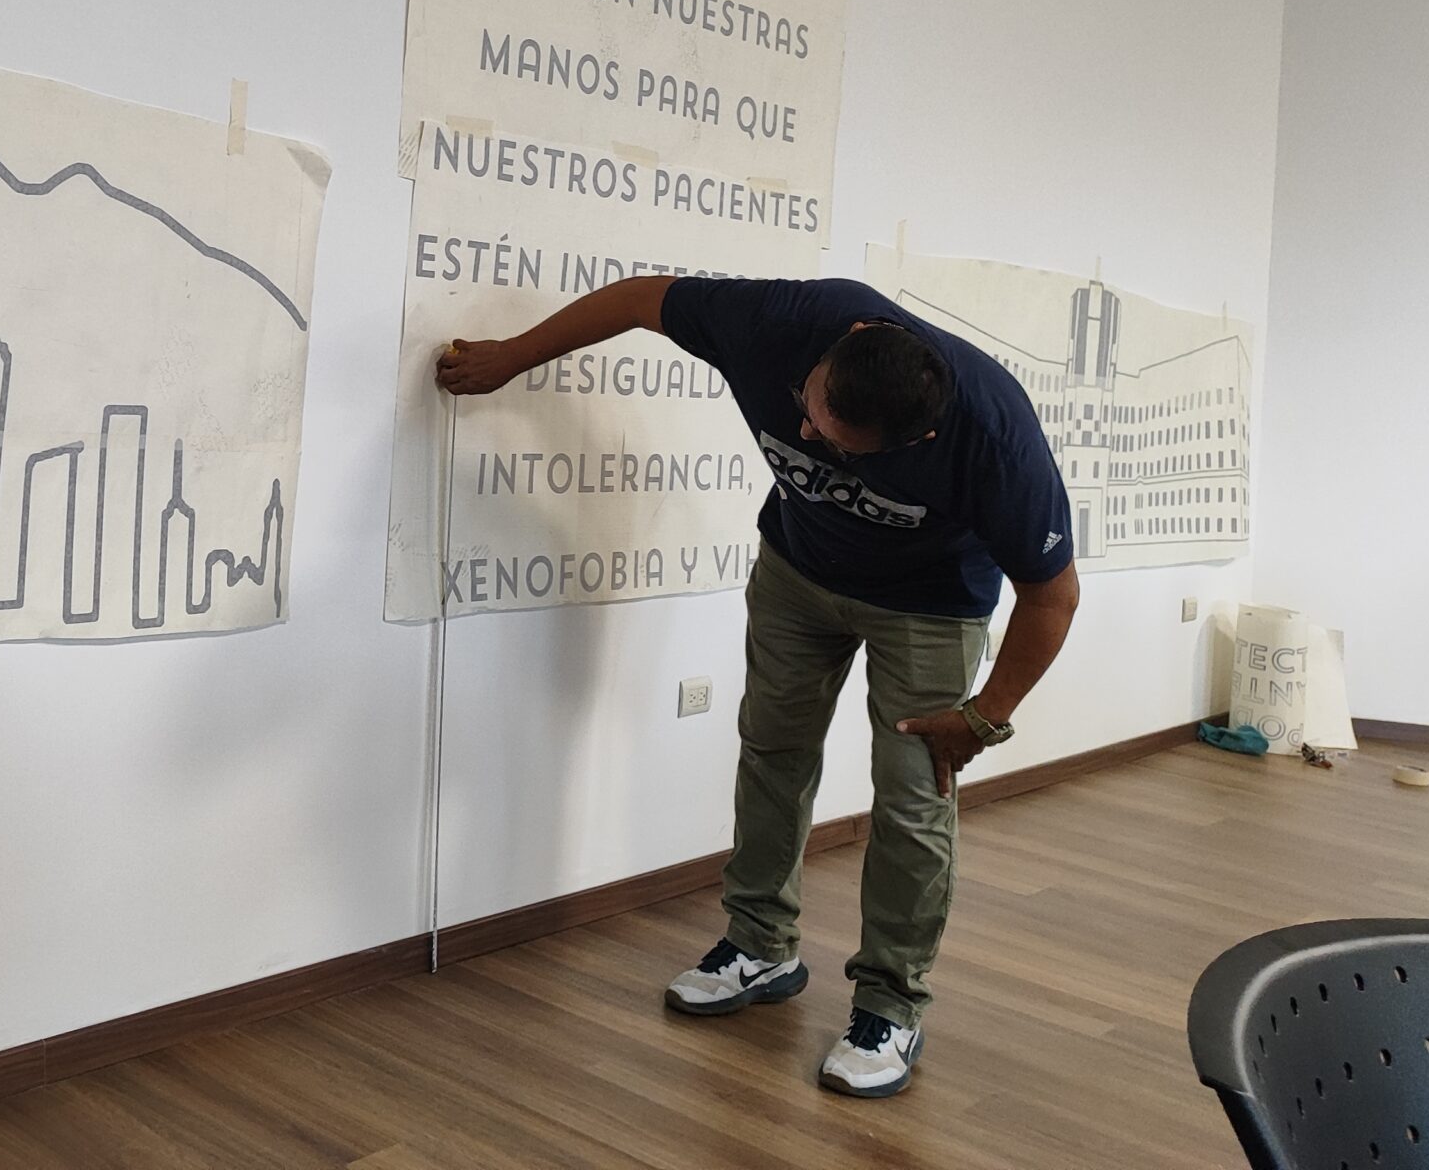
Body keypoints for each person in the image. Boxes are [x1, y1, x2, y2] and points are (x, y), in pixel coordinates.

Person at [437, 274, 1079, 1099]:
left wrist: (985, 719)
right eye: (809, 411)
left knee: (913, 798)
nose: (807, 434)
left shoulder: (994, 435)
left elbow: (1052, 597)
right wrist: (513, 358)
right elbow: (636, 300)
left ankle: (890, 1006)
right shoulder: (778, 321)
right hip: (797, 575)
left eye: (840, 444)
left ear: (918, 437)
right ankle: (760, 946)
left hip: (929, 605)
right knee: (772, 750)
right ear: (837, 349)